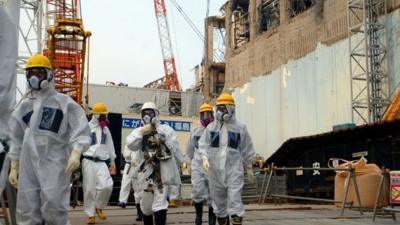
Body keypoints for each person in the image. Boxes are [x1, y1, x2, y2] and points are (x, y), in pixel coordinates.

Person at [8, 54, 91, 225]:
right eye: (31, 73)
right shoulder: (23, 107)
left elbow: (81, 128)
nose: (34, 78)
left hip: (54, 161)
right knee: (27, 207)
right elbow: (15, 137)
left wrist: (76, 152)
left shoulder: (64, 103)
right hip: (28, 162)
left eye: (39, 73)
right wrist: (14, 166)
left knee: (54, 206)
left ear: (49, 75)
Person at [198, 93, 256, 225]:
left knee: (235, 201)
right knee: (218, 204)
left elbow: (247, 148)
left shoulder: (240, 128)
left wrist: (249, 167)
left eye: (223, 109)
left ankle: (236, 220)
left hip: (233, 171)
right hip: (215, 172)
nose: (220, 112)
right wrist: (205, 158)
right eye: (218, 108)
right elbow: (203, 145)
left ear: (231, 109)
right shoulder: (211, 128)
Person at [126, 102, 182, 225]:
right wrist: (141, 132)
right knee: (146, 206)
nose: (147, 116)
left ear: (156, 114)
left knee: (160, 202)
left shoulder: (166, 130)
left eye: (150, 113)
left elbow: (173, 147)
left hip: (162, 172)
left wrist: (160, 139)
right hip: (145, 173)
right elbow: (131, 145)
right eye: (144, 113)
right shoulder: (138, 131)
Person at [82, 102, 116, 224]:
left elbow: (110, 145)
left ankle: (99, 206)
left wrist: (112, 161)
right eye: (102, 115)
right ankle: (90, 215)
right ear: (96, 115)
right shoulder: (86, 127)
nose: (104, 118)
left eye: (105, 115)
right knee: (89, 189)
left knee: (107, 185)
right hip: (89, 161)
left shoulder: (106, 130)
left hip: (102, 162)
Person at [184, 103, 216, 225]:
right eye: (204, 114)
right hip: (197, 166)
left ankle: (212, 220)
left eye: (208, 114)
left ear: (212, 115)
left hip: (213, 167)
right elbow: (189, 149)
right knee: (197, 191)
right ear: (200, 116)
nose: (206, 117)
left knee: (213, 193)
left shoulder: (217, 130)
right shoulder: (195, 131)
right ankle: (198, 217)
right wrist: (186, 161)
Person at [118, 146, 144, 221]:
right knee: (125, 183)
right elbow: (126, 155)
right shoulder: (129, 144)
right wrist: (133, 151)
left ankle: (140, 211)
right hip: (130, 165)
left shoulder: (142, 144)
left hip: (139, 166)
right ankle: (122, 201)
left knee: (138, 188)